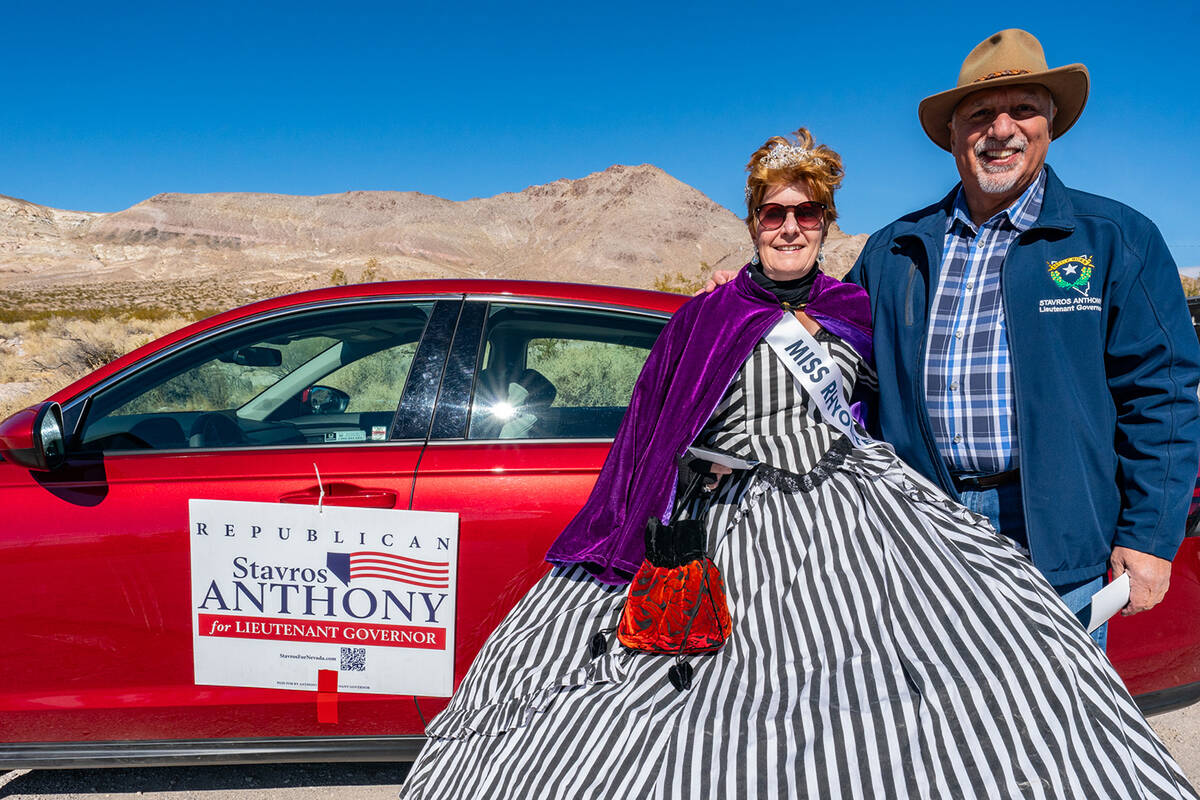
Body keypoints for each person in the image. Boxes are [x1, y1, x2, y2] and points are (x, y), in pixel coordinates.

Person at [399, 128, 1197, 799]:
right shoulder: (705, 317)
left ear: (825, 219)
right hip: (737, 530)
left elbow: (904, 396)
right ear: (751, 220)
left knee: (916, 691)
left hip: (847, 523)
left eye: (806, 211)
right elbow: (649, 436)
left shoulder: (856, 304)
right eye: (773, 212)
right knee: (725, 710)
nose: (790, 225)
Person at [704, 31, 1200, 648]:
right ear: (953, 135)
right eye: (979, 114)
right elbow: (832, 347)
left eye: (1023, 109)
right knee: (934, 732)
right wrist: (744, 296)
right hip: (920, 538)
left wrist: (1150, 539)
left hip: (1061, 546)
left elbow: (1164, 395)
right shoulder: (896, 250)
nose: (1001, 129)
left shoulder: (1112, 238)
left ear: (1050, 123)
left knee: (1051, 729)